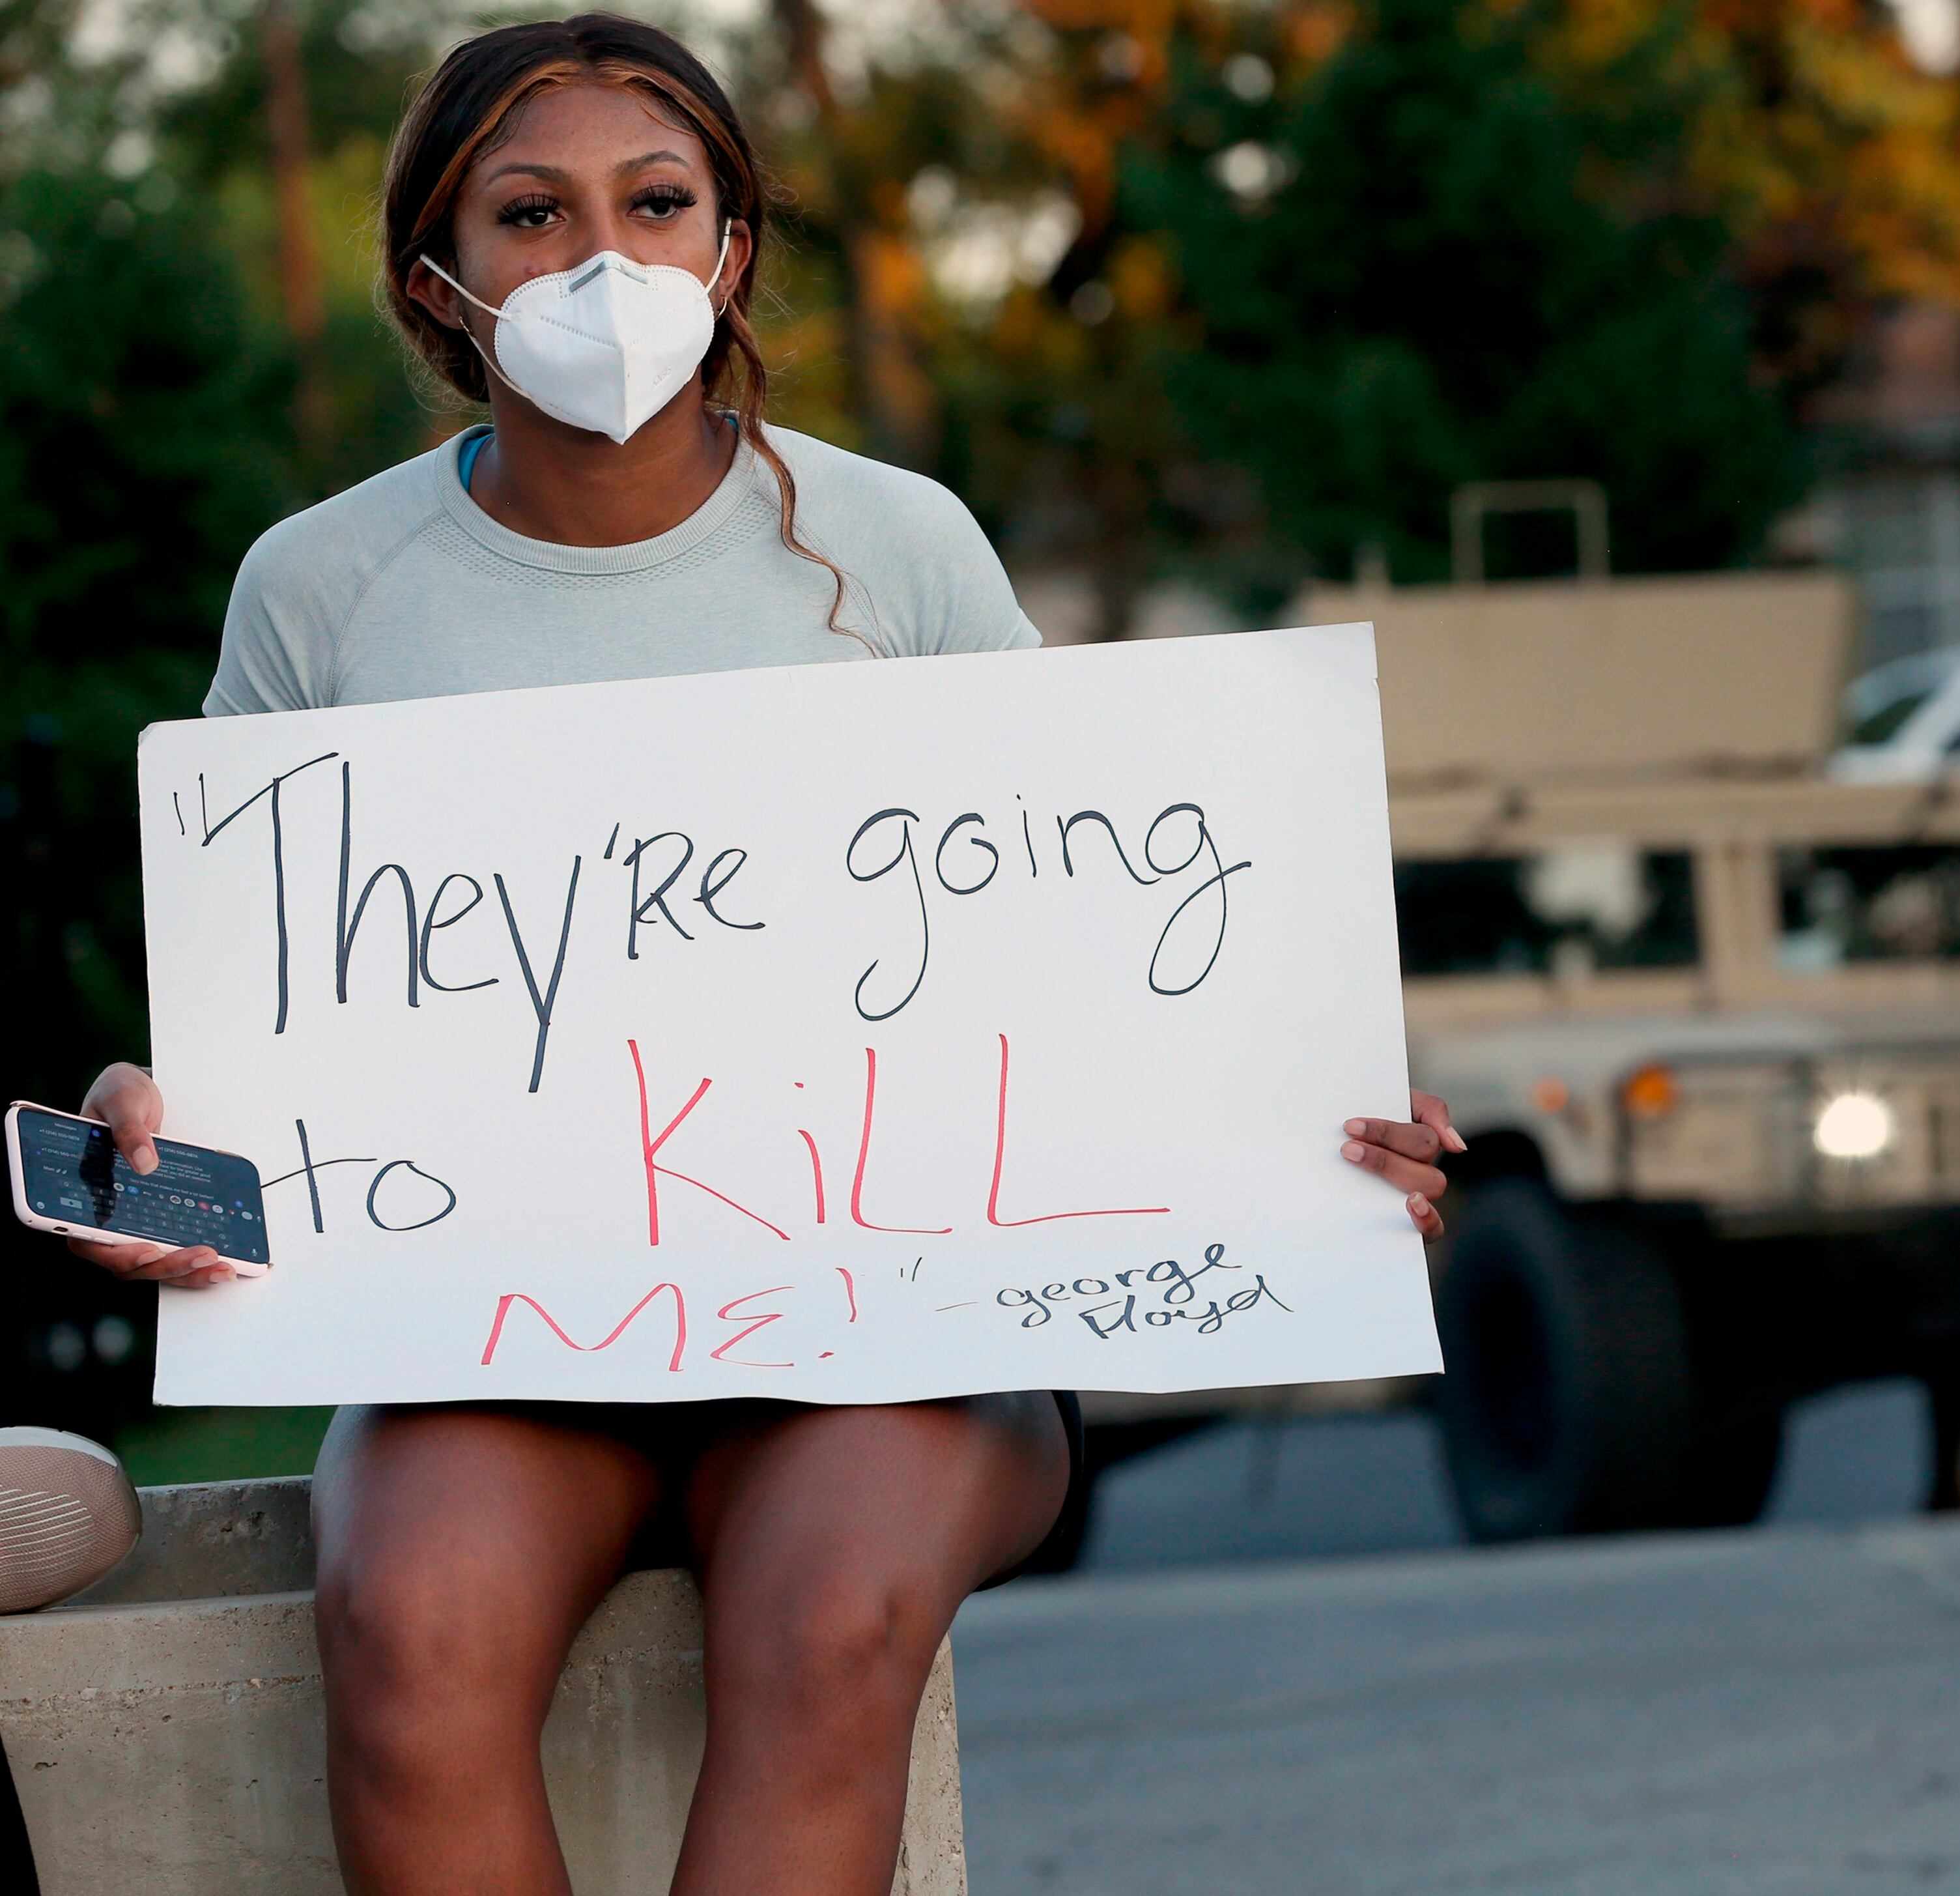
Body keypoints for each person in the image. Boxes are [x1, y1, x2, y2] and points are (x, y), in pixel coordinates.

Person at [61, 17, 1458, 1895]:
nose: (602, 261)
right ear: (439, 275)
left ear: (729, 246)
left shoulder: (902, 550)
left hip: (883, 1347)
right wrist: (157, 1139)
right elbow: (252, 1034)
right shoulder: (320, 586)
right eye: (532, 214)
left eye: (657, 204)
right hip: (505, 1343)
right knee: (407, 1636)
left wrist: (1310, 1141)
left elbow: (1112, 941)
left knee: (829, 1635)